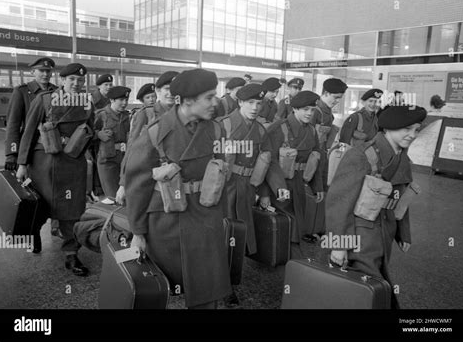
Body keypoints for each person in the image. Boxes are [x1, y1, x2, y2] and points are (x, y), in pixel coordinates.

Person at [125, 68, 231, 309]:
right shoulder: (155, 132)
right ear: (185, 101)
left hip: (206, 215)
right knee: (162, 288)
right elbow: (137, 186)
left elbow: (222, 173)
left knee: (207, 287)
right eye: (209, 97)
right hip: (166, 220)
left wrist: (221, 216)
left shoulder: (216, 129)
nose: (215, 103)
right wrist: (138, 233)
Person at [327, 104, 427, 308]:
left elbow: (402, 197)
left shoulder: (403, 158)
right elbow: (338, 202)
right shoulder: (361, 155)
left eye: (416, 129)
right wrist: (337, 245)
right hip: (360, 235)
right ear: (388, 127)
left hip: (385, 232)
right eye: (406, 129)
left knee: (370, 287)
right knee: (372, 286)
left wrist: (403, 232)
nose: (412, 135)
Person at [16, 63, 94, 276]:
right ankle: (34, 234)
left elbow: (91, 130)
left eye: (80, 81)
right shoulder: (44, 100)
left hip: (72, 162)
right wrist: (22, 164)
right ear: (62, 80)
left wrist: (83, 147)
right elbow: (29, 132)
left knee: (72, 210)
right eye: (71, 80)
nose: (76, 84)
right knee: (40, 206)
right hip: (44, 163)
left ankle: (71, 254)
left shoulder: (87, 102)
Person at [218, 83, 288, 307]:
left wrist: (273, 189)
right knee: (224, 235)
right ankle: (223, 285)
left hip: (247, 189)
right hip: (223, 190)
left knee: (238, 236)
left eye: (259, 103)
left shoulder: (260, 130)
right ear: (239, 102)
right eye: (250, 102)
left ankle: (230, 280)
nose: (255, 107)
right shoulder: (223, 125)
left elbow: (269, 160)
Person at [260, 91, 324, 259]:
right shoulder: (278, 128)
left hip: (299, 185)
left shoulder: (312, 131)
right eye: (305, 109)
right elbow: (268, 163)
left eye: (312, 109)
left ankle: (289, 258)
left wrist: (318, 188)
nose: (309, 113)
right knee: (287, 222)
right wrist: (265, 194)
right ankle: (293, 259)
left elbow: (316, 158)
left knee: (296, 222)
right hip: (279, 185)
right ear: (294, 109)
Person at [4, 57, 58, 252]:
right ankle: (33, 232)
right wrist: (12, 155)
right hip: (30, 154)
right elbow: (13, 125)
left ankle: (56, 228)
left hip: (52, 152)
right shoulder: (22, 92)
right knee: (35, 196)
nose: (45, 74)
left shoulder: (56, 92)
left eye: (48, 71)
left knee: (54, 194)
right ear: (33, 72)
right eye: (41, 71)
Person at [116, 71, 178, 205]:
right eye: (167, 89)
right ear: (158, 91)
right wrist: (123, 183)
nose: (171, 93)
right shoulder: (146, 114)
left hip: (175, 178)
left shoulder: (183, 115)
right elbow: (132, 149)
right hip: (149, 176)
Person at [302, 78, 348, 243]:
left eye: (339, 98)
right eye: (335, 97)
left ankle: (317, 227)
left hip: (323, 157)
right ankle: (308, 229)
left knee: (321, 191)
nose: (337, 101)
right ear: (325, 93)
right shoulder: (315, 111)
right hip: (312, 158)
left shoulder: (328, 112)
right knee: (311, 192)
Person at [94, 86, 131, 204]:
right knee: (113, 198)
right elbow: (87, 133)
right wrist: (98, 134)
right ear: (112, 100)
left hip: (125, 160)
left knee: (126, 196)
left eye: (126, 100)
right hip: (107, 161)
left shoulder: (127, 116)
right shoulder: (101, 115)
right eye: (121, 100)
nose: (125, 103)